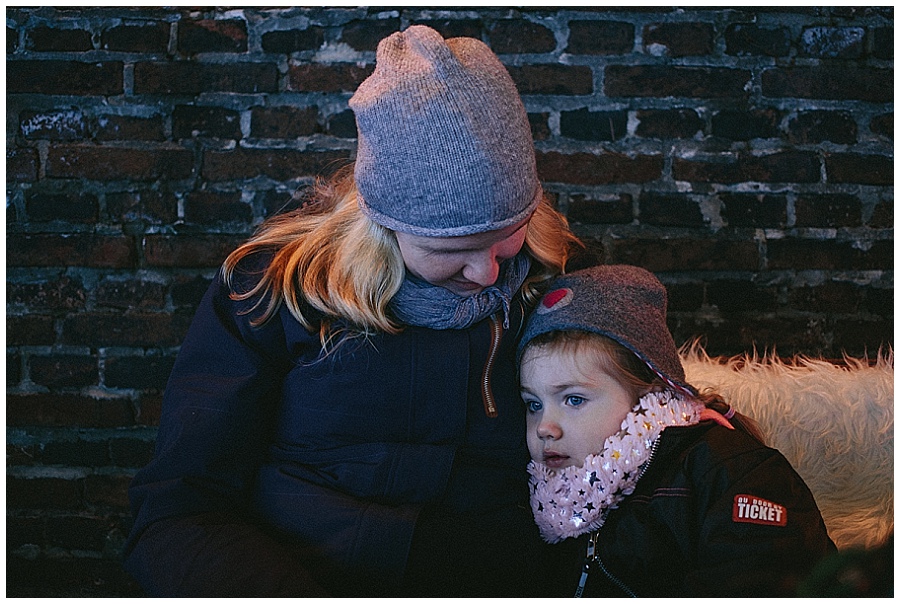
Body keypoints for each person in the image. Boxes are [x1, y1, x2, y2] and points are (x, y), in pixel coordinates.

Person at [123, 25, 583, 597]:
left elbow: (632, 421)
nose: (487, 273)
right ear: (385, 227)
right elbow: (177, 509)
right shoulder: (273, 291)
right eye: (449, 250)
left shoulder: (558, 279)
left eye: (506, 235)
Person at [517, 265, 836, 597]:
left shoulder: (731, 473)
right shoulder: (545, 500)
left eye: (573, 399)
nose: (545, 427)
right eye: (533, 404)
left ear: (648, 392)